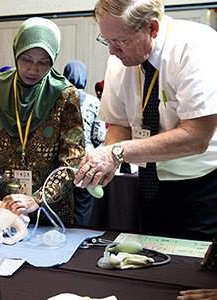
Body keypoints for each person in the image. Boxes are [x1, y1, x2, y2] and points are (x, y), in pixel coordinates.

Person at [74, 0, 217, 241]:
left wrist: (116, 153)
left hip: (202, 187)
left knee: (193, 271)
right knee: (150, 263)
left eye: (121, 41)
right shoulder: (119, 60)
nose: (112, 50)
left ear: (152, 28)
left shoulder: (196, 46)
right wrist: (107, 157)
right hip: (149, 183)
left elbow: (196, 137)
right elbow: (119, 124)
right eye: (106, 41)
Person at [0, 17, 85, 224]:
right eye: (26, 59)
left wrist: (37, 199)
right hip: (3, 201)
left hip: (50, 208)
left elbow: (72, 161)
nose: (33, 69)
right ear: (16, 53)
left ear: (54, 59)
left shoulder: (64, 95)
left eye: (43, 62)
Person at [64, 60, 105, 225]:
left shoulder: (57, 100)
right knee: (83, 207)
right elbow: (100, 137)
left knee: (59, 203)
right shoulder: (95, 103)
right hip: (86, 162)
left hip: (60, 163)